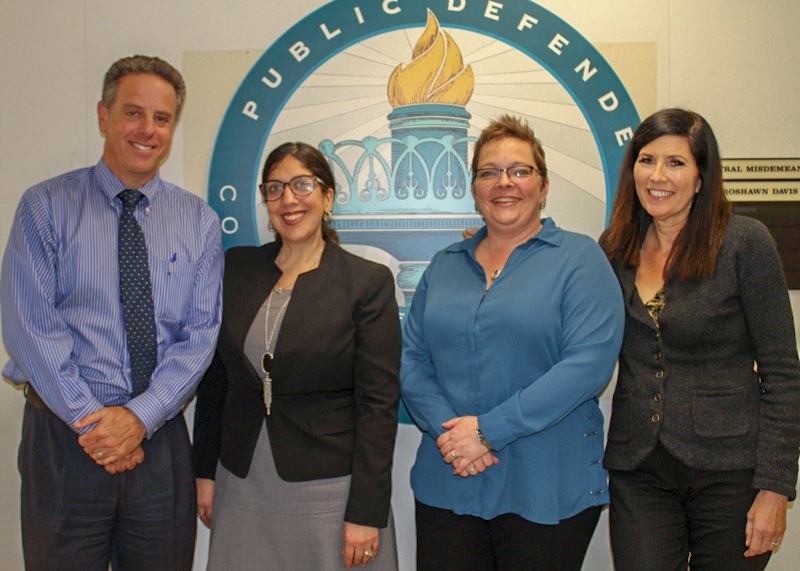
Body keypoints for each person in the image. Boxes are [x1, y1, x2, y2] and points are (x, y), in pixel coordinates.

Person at [0, 55, 224, 570]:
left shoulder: (199, 223)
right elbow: (31, 327)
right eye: (133, 113)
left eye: (162, 118)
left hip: (159, 441)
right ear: (103, 115)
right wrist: (97, 427)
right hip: (63, 441)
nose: (148, 130)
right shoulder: (45, 207)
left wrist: (138, 420)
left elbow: (200, 336)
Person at [400, 114, 625, 570]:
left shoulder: (581, 260)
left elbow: (586, 366)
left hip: (546, 488)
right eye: (489, 172)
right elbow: (411, 360)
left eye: (520, 170)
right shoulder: (444, 266)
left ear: (543, 187)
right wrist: (453, 437)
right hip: (450, 482)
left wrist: (487, 432)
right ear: (475, 187)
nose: (504, 183)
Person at [601, 108, 800, 570]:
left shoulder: (744, 243)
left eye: (675, 163)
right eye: (646, 160)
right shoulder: (613, 249)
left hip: (731, 471)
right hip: (640, 468)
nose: (657, 176)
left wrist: (775, 488)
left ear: (702, 176)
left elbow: (783, 374)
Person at [192, 142, 401, 570]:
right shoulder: (237, 269)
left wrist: (367, 512)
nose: (288, 199)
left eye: (302, 185)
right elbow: (216, 381)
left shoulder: (366, 283)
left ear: (327, 197)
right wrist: (205, 471)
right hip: (242, 482)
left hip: (329, 492)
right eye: (275, 188)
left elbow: (379, 406)